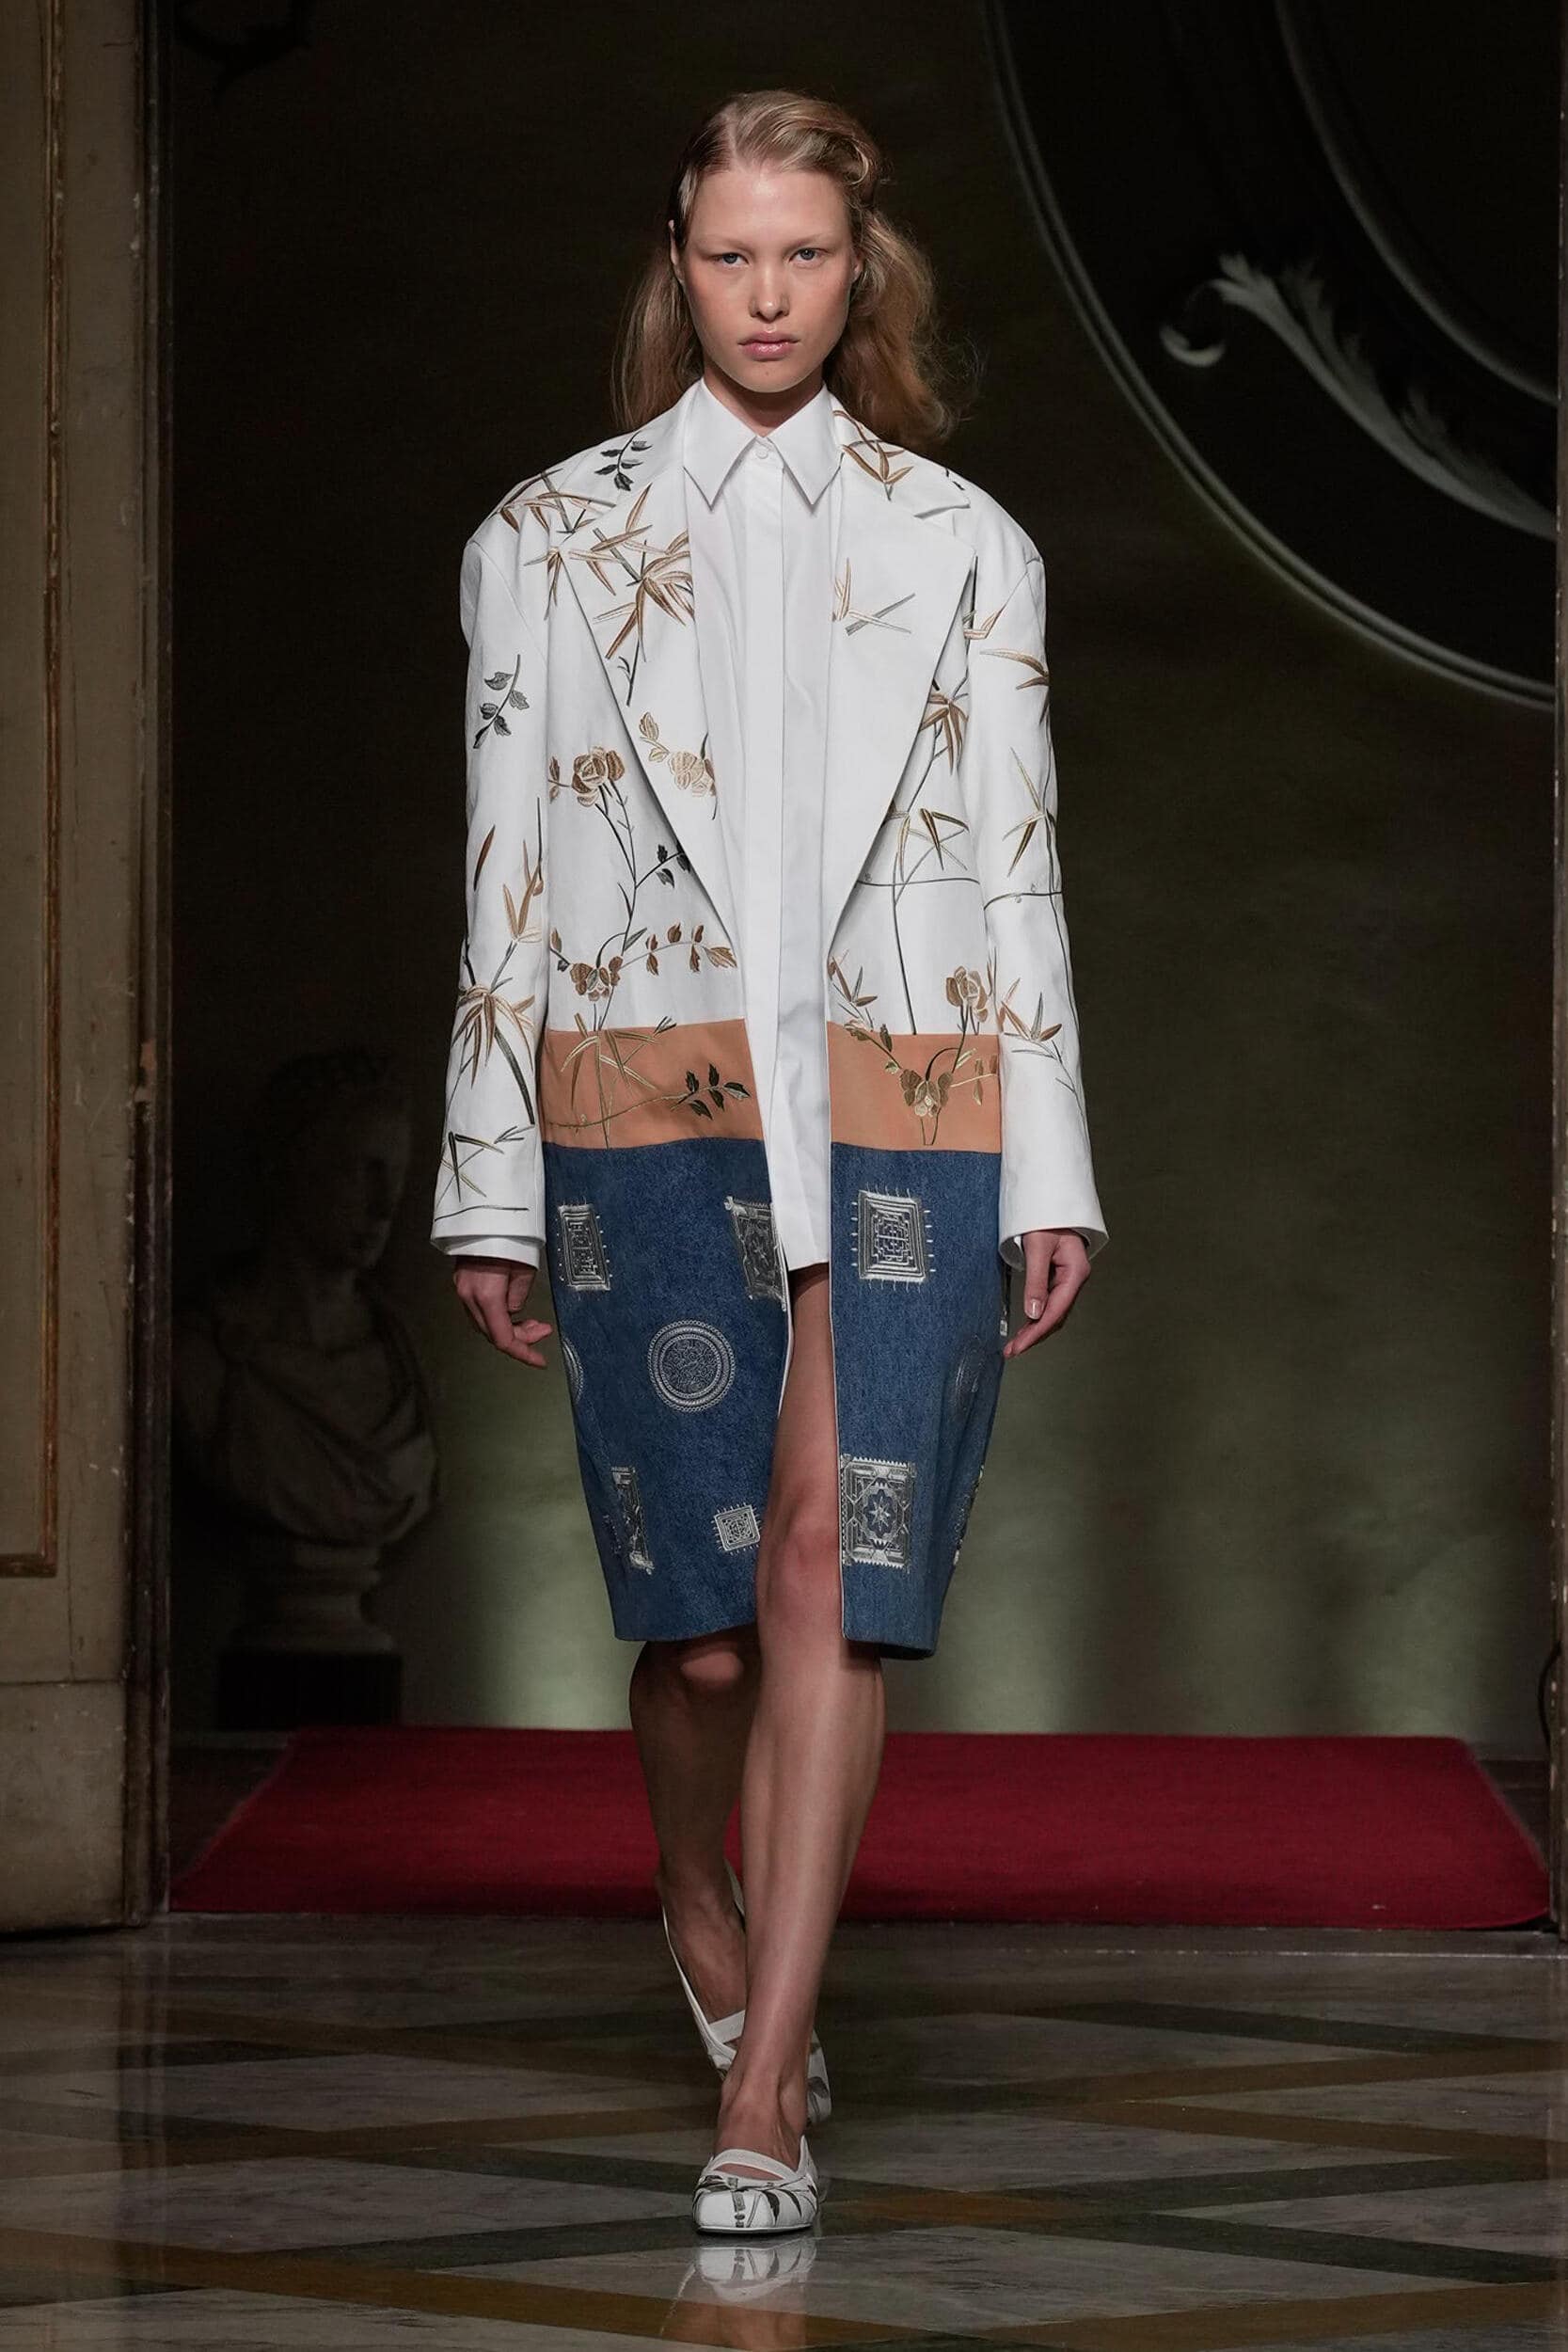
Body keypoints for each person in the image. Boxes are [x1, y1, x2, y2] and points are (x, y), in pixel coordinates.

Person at [433, 87, 1107, 2236]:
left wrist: (1056, 1167)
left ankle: (766, 2081)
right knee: (711, 1636)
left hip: (912, 1096)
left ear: (858, 266)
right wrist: (485, 1181)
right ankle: (686, 1876)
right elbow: (502, 875)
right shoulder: (546, 538)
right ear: (679, 263)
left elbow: (1019, 867)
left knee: (839, 1579)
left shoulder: (964, 542)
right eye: (731, 254)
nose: (768, 294)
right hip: (649, 1092)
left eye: (806, 254)